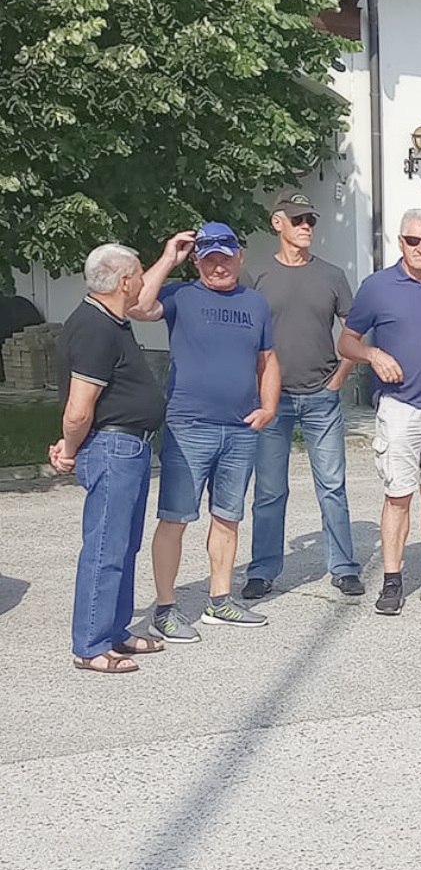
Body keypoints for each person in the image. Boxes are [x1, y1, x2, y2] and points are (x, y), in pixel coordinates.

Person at [132, 224, 280, 641]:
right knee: (175, 518)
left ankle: (220, 601)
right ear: (197, 260)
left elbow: (268, 360)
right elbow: (138, 307)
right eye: (209, 258)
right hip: (189, 426)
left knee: (228, 517)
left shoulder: (255, 303)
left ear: (239, 256)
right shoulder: (180, 296)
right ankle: (165, 610)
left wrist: (269, 406)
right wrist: (168, 257)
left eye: (225, 257)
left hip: (240, 428)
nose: (219, 266)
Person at [338, 208, 421, 616]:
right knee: (398, 496)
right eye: (413, 240)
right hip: (401, 408)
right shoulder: (377, 287)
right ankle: (392, 582)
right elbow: (346, 342)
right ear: (400, 242)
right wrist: (373, 354)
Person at [52, 244, 170, 672]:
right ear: (124, 282)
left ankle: (115, 630)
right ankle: (91, 644)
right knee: (105, 547)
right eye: (139, 274)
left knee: (124, 545)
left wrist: (169, 258)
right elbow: (79, 408)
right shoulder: (95, 328)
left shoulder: (111, 321)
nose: (142, 282)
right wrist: (68, 448)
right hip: (113, 448)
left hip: (129, 447)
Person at [242, 190, 363, 600]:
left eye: (310, 219)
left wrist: (340, 377)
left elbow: (355, 331)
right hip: (272, 401)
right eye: (298, 220)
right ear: (278, 224)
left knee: (332, 485)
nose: (307, 225)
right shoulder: (255, 276)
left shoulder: (332, 275)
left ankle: (343, 567)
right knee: (269, 490)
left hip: (321, 396)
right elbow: (242, 336)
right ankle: (263, 570)